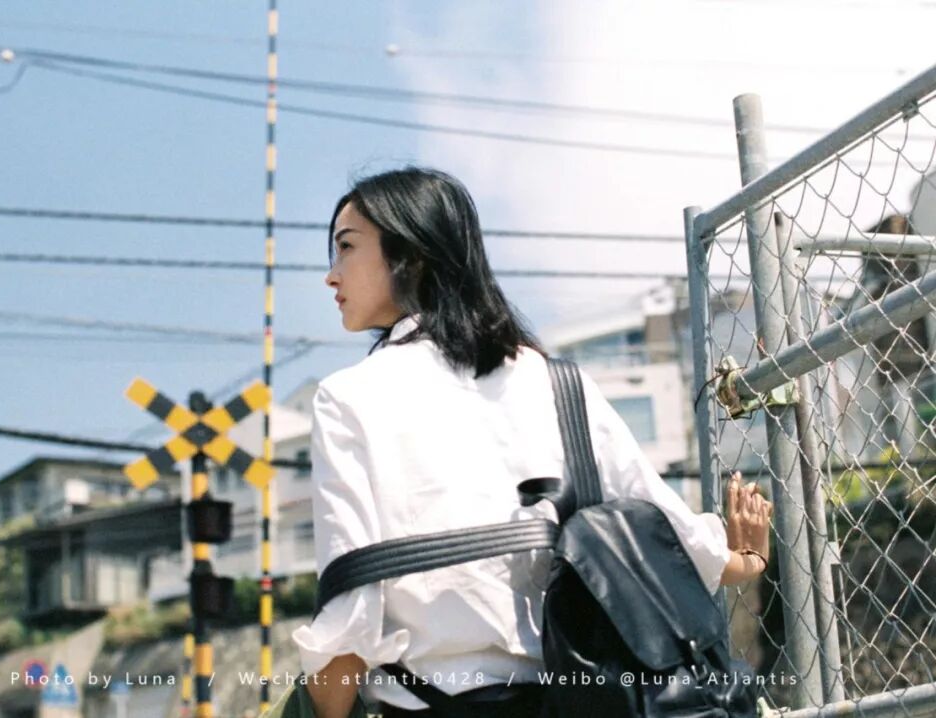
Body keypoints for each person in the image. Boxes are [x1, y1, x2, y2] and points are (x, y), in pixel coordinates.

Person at [290, 167, 772, 718]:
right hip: (581, 703)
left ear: (413, 254)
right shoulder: (559, 383)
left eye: (346, 247)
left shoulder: (347, 398)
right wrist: (747, 558)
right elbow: (662, 533)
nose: (331, 275)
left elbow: (353, 613)